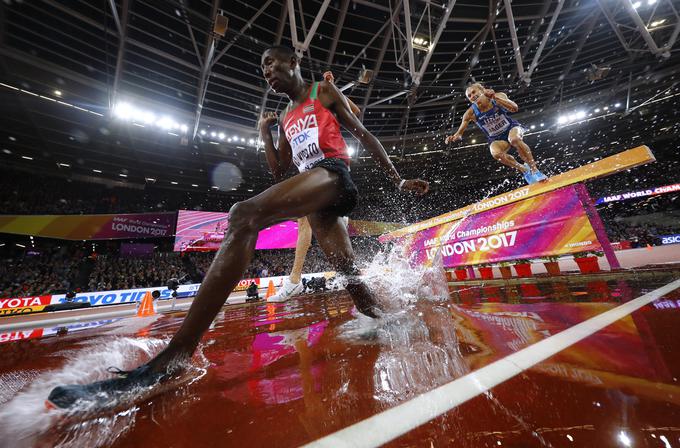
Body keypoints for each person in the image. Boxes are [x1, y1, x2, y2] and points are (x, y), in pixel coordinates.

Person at [46, 45, 429, 409]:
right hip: (315, 197)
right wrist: (265, 134)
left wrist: (396, 179)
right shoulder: (285, 118)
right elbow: (280, 171)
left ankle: (176, 356)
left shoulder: (322, 91)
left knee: (243, 215)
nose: (266, 74)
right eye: (262, 70)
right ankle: (389, 319)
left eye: (271, 65)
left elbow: (363, 133)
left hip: (333, 176)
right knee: (349, 273)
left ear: (293, 62)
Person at [269, 70, 358, 303]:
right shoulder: (290, 113)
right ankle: (300, 280)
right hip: (308, 172)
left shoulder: (322, 94)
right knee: (304, 224)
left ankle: (295, 281)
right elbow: (280, 165)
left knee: (304, 222)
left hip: (329, 167)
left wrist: (333, 87)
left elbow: (355, 113)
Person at [444, 82, 547, 184]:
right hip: (496, 138)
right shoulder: (470, 113)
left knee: (514, 139)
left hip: (511, 128)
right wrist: (454, 137)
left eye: (474, 92)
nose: (472, 96)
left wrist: (494, 97)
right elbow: (459, 133)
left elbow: (514, 108)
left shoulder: (498, 96)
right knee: (496, 153)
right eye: (469, 96)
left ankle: (535, 170)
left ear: (482, 90)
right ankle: (524, 169)